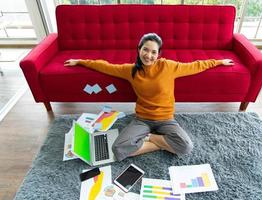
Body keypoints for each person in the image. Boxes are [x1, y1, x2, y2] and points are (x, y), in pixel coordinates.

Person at [64, 33, 234, 161]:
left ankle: (152, 139)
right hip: (142, 119)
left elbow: (196, 65)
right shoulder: (131, 70)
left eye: (154, 52)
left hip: (166, 119)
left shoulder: (168, 66)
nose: (149, 55)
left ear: (158, 54)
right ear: (139, 49)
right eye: (145, 49)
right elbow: (105, 66)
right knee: (118, 148)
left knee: (186, 146)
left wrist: (218, 62)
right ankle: (164, 144)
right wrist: (79, 61)